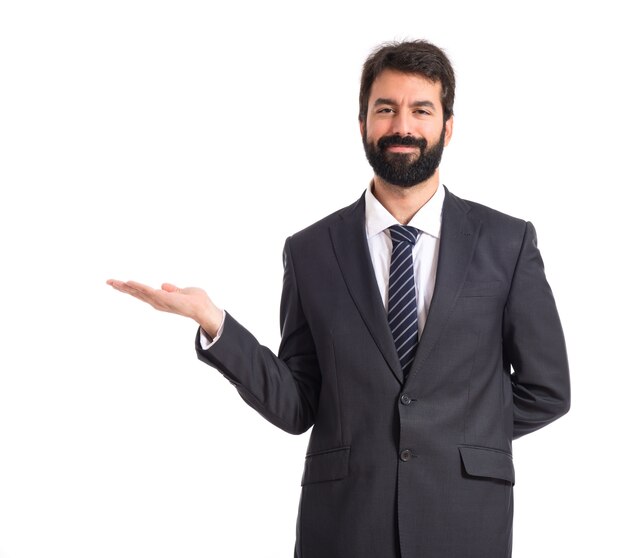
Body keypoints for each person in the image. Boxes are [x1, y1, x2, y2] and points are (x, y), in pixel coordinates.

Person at [107, 40, 570, 558]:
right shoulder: (310, 252)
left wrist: (459, 435)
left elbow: (547, 389)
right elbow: (298, 403)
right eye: (385, 109)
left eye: (421, 110)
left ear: (448, 126)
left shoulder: (507, 243)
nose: (403, 126)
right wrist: (214, 322)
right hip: (345, 524)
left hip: (464, 519)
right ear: (362, 124)